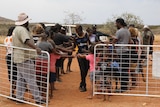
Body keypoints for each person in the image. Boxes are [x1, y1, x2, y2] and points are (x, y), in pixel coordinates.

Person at [12, 13, 45, 104]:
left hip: (18, 57)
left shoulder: (16, 29)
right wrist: (36, 48)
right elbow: (26, 40)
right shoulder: (22, 30)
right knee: (31, 78)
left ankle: (19, 98)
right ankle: (38, 99)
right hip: (24, 57)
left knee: (21, 79)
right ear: (25, 22)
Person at [112, 18, 132, 93]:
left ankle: (123, 87)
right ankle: (125, 86)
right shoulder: (127, 31)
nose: (115, 25)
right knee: (125, 69)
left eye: (116, 23)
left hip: (121, 52)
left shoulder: (119, 32)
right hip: (126, 51)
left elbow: (114, 41)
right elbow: (130, 41)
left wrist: (114, 49)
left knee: (122, 70)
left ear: (119, 23)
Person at [74, 25, 90, 92]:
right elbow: (74, 46)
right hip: (80, 55)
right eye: (76, 31)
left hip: (86, 55)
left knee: (86, 69)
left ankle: (82, 82)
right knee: (82, 70)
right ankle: (84, 85)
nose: (77, 32)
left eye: (78, 31)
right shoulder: (75, 37)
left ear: (81, 30)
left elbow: (90, 43)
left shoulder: (86, 35)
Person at [4, 26, 17, 98]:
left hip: (8, 56)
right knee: (16, 73)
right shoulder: (14, 38)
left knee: (11, 73)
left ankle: (12, 91)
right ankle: (13, 92)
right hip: (14, 56)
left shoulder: (6, 38)